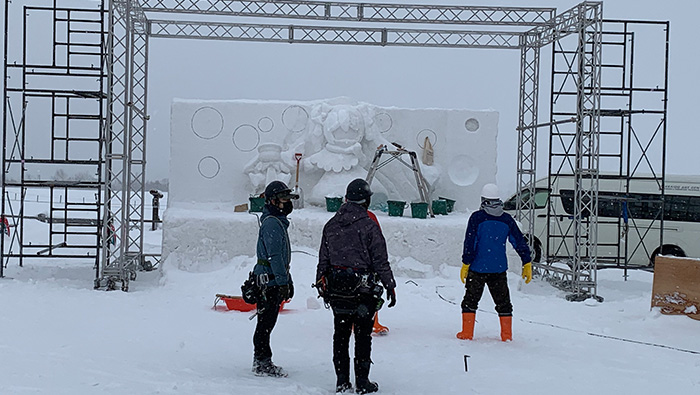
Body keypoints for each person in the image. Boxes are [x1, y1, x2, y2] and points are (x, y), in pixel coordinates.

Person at [316, 178, 397, 394]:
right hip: (363, 291)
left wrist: (321, 283)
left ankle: (342, 381)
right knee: (363, 336)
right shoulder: (369, 226)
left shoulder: (331, 225)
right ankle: (362, 382)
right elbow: (380, 260)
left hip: (337, 289)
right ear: (366, 201)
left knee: (340, 335)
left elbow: (323, 259)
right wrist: (390, 285)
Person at [456, 183, 532, 342]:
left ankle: (467, 333)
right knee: (503, 303)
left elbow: (470, 242)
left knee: (470, 301)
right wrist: (527, 262)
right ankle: (506, 336)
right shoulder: (507, 219)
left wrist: (466, 263)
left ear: (483, 199)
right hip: (498, 268)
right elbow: (518, 241)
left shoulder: (477, 218)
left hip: (477, 268)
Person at [251, 180, 299, 377]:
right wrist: (282, 281)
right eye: (282, 199)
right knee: (265, 322)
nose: (286, 203)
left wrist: (287, 279)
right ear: (272, 201)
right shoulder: (272, 223)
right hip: (268, 280)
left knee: (267, 321)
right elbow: (275, 256)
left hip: (272, 278)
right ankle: (262, 361)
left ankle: (262, 359)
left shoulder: (276, 221)